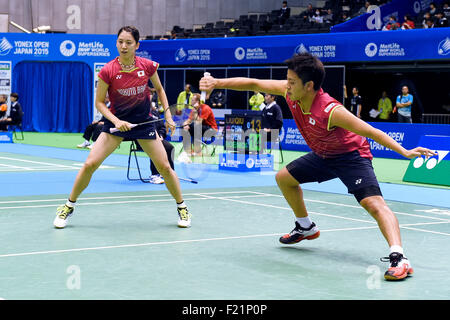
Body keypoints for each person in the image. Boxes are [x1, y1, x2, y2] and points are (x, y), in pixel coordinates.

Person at [199, 52, 436, 281]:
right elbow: (254, 82)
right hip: (323, 155)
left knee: (373, 204)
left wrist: (404, 151)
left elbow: (370, 130)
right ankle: (306, 227)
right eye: (287, 80)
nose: (287, 85)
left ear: (309, 85)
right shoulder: (289, 92)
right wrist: (217, 82)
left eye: (292, 82)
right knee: (284, 178)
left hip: (351, 157)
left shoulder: (331, 110)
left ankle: (399, 257)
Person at [53, 26, 191, 229]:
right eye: (120, 42)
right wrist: (116, 122)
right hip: (116, 124)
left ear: (137, 45)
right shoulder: (108, 70)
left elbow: (160, 90)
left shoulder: (147, 66)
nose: (123, 46)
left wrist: (168, 114)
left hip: (143, 123)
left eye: (128, 42)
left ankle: (182, 208)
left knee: (164, 167)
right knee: (90, 164)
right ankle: (68, 206)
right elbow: (99, 103)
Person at [180, 93, 218, 157]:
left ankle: (198, 151)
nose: (191, 101)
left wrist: (195, 111)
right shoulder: (194, 109)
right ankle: (189, 150)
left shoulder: (205, 108)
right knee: (186, 127)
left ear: (197, 101)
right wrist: (184, 125)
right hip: (200, 128)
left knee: (195, 126)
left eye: (192, 100)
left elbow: (199, 122)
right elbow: (189, 120)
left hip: (211, 129)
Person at [148, 103, 175, 184]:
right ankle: (154, 175)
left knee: (170, 147)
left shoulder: (155, 113)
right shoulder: (140, 113)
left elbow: (162, 128)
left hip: (158, 139)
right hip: (145, 139)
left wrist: (160, 136)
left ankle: (170, 172)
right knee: (154, 148)